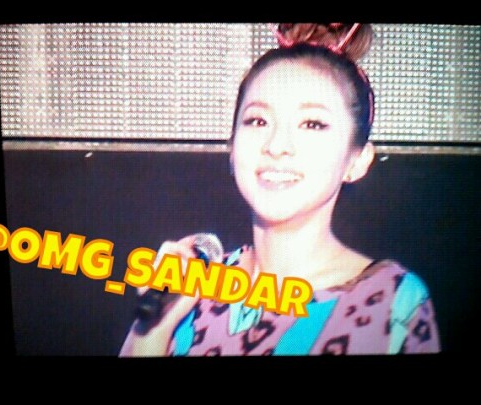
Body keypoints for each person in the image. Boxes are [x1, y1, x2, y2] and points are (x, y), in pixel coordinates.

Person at [119, 23, 440, 356]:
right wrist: (156, 328)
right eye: (258, 121)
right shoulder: (191, 284)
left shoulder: (394, 303)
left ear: (357, 160)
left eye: (312, 124)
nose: (276, 145)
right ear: (232, 147)